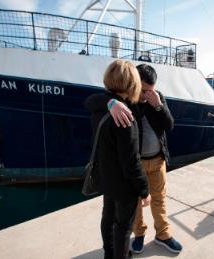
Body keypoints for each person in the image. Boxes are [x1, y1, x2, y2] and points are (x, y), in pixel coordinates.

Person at [88, 64, 183, 254]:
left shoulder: (156, 98)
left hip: (157, 160)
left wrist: (157, 105)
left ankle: (163, 234)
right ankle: (139, 235)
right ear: (135, 84)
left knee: (159, 199)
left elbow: (169, 125)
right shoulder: (127, 103)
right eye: (144, 90)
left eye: (151, 90)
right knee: (137, 205)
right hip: (136, 164)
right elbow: (92, 100)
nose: (147, 93)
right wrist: (110, 103)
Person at [85, 60, 151, 259]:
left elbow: (89, 101)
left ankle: (108, 254)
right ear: (132, 83)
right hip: (123, 186)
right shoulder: (124, 116)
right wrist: (144, 190)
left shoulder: (102, 108)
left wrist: (110, 101)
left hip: (105, 179)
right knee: (123, 227)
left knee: (107, 218)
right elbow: (131, 163)